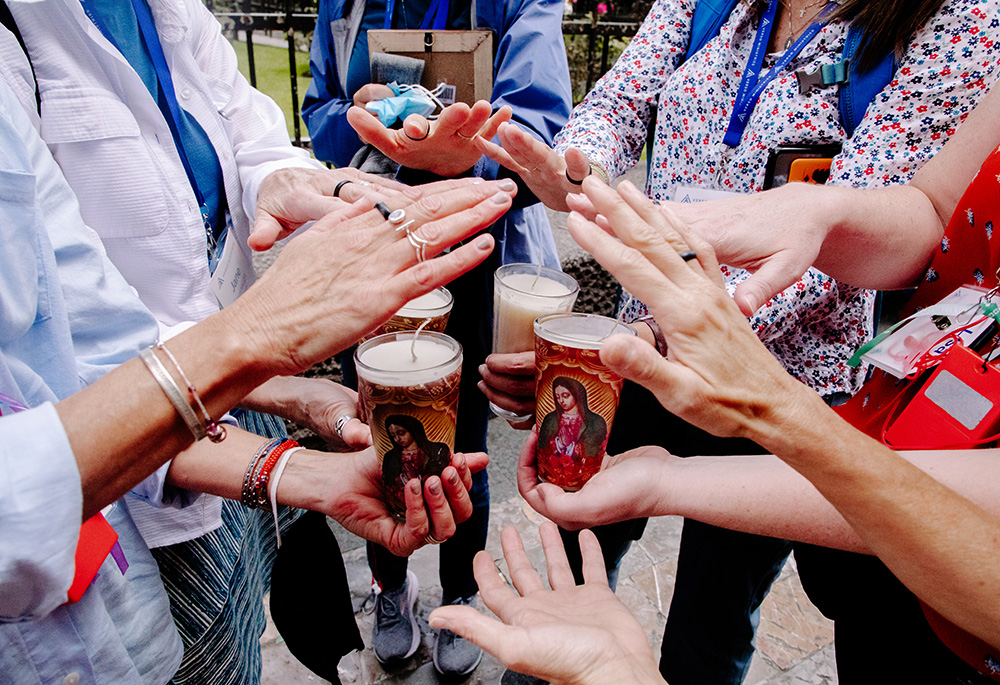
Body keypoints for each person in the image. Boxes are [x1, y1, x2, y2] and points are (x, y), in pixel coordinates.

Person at [476, 1, 1000, 681]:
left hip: (788, 388)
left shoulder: (957, 17)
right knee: (574, 548)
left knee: (712, 619)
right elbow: (616, 104)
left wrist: (644, 339)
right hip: (648, 357)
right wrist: (578, 172)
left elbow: (864, 234)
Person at [0, 52, 521, 682]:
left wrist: (301, 467)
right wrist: (253, 337)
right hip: (82, 594)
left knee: (237, 637)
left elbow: (102, 360)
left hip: (151, 540)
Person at [303, 0, 572, 674]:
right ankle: (390, 587)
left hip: (473, 255)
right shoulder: (345, 5)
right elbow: (320, 116)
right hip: (372, 251)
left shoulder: (520, 5)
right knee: (378, 430)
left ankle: (461, 594)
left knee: (463, 446)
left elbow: (539, 134)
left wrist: (461, 159)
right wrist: (371, 117)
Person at [382, 415, 452, 516]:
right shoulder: (390, 457)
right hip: (402, 507)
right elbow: (389, 484)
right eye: (393, 435)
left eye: (401, 433)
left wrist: (414, 478)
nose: (397, 439)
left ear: (413, 430)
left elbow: (438, 479)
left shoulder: (437, 450)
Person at [536, 377, 608, 468]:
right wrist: (559, 444)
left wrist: (571, 445)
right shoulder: (550, 419)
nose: (561, 401)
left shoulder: (596, 421)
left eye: (565, 396)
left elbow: (594, 452)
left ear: (577, 394)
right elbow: (542, 447)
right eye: (557, 397)